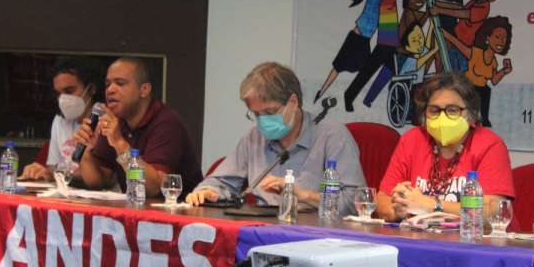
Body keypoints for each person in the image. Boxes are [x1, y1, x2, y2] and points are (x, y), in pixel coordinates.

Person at [186, 62, 365, 215]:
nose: (263, 121)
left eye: (270, 112)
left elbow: (356, 203)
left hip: (314, 234)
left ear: (293, 103)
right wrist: (207, 192)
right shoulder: (254, 137)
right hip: (261, 229)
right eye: (257, 114)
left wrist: (302, 194)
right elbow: (220, 181)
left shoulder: (332, 136)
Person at [375, 73, 514, 222]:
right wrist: (399, 209)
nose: (443, 117)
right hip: (419, 234)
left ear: (471, 114)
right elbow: (382, 199)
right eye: (434, 110)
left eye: (453, 110)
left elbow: (494, 211)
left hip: (472, 236)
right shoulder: (412, 140)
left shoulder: (490, 145)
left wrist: (431, 205)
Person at [74, 57, 202, 197]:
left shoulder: (166, 123)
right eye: (107, 84)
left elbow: (152, 188)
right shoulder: (116, 120)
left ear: (144, 90)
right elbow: (97, 181)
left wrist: (120, 144)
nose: (110, 90)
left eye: (120, 83)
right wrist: (86, 152)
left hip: (179, 208)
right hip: (135, 206)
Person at [19, 57, 101, 181]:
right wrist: (42, 171)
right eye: (59, 93)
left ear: (91, 88)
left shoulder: (106, 123)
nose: (63, 99)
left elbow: (102, 178)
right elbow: (53, 168)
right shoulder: (59, 121)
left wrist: (57, 173)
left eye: (69, 91)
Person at [430, 0, 504, 72]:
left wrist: (440, 10)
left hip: (462, 50)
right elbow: (459, 7)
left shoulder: (484, 8)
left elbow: (463, 13)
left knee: (451, 73)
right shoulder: (476, 2)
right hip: (456, 43)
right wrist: (438, 3)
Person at [442, 16, 513, 127]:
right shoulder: (475, 53)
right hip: (468, 87)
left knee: (486, 91)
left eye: (504, 38)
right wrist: (445, 34)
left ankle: (483, 121)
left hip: (481, 90)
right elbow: (458, 44)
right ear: (488, 38)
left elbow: (494, 80)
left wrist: (504, 71)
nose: (501, 41)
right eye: (497, 37)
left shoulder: (494, 62)